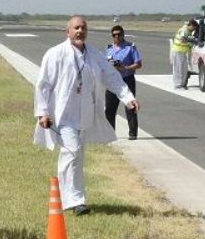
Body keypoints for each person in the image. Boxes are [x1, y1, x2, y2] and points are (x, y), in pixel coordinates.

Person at [34, 16, 139, 215]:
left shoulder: (95, 55)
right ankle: (74, 201)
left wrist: (128, 97)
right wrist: (43, 112)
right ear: (68, 32)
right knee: (71, 152)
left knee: (78, 157)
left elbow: (111, 76)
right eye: (76, 28)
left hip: (84, 115)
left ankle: (75, 198)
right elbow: (43, 85)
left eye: (83, 28)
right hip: (63, 116)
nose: (80, 31)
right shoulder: (55, 54)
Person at [104, 25, 143, 140]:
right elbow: (104, 61)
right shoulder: (109, 48)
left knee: (130, 106)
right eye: (114, 35)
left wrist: (125, 68)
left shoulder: (130, 47)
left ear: (123, 35)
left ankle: (133, 133)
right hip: (112, 80)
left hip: (127, 78)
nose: (117, 37)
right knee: (110, 108)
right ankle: (110, 133)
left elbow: (139, 64)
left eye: (119, 34)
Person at [171, 19, 198, 90]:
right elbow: (183, 39)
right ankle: (177, 85)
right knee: (178, 69)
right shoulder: (184, 30)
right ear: (191, 25)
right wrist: (191, 43)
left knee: (184, 69)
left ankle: (182, 85)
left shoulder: (188, 31)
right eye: (194, 28)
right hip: (178, 51)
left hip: (183, 52)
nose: (193, 30)